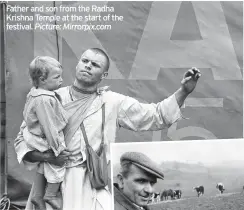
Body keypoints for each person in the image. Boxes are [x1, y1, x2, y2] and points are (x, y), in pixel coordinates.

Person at [14, 48, 201, 210]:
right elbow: (23, 140)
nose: (88, 66)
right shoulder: (49, 98)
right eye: (85, 61)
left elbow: (155, 116)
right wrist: (49, 157)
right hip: (53, 184)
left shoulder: (112, 101)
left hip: (91, 183)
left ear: (103, 75)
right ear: (77, 65)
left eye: (95, 64)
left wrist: (183, 91)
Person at [22, 56, 68, 210]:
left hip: (34, 134)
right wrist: (57, 149)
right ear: (42, 79)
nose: (61, 80)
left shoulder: (35, 93)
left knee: (44, 165)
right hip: (44, 138)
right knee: (58, 165)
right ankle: (50, 194)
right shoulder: (44, 100)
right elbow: (49, 126)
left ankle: (36, 195)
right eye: (57, 77)